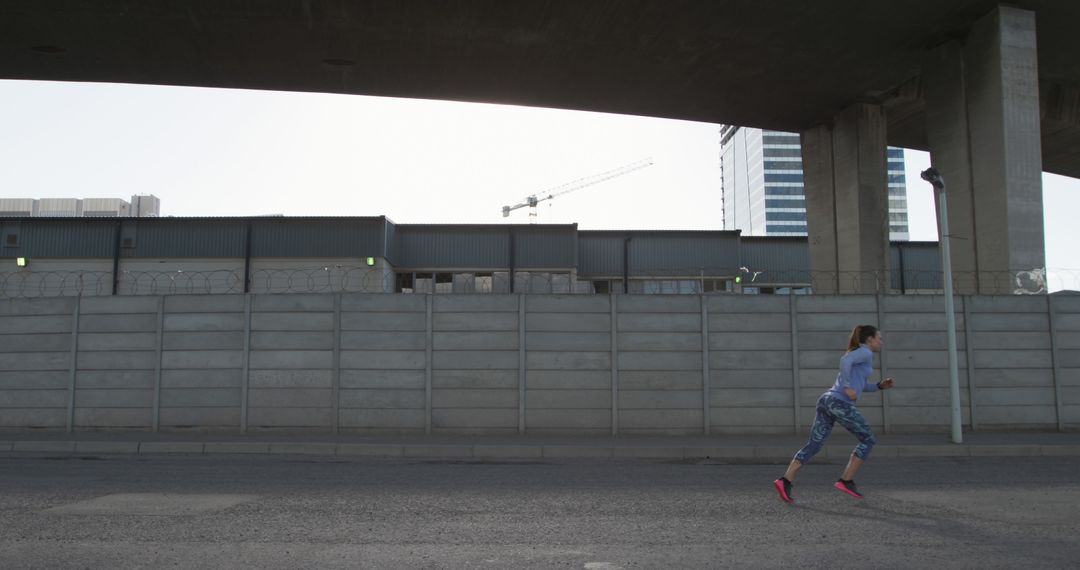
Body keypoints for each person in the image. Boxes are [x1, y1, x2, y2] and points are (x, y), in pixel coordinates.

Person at [773, 325, 895, 503]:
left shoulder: (864, 356)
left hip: (827, 400)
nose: (881, 342)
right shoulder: (865, 352)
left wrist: (878, 386)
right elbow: (845, 361)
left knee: (814, 445)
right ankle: (846, 480)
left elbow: (860, 386)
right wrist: (846, 386)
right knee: (868, 439)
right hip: (839, 403)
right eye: (879, 338)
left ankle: (785, 481)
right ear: (870, 340)